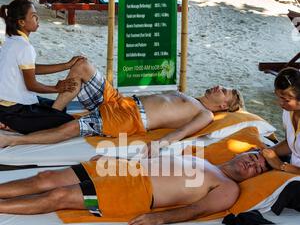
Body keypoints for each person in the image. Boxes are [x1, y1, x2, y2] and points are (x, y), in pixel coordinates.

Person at [0, 55, 244, 152]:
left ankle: (13, 139)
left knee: (71, 129)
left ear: (223, 106)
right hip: (120, 100)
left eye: (225, 92)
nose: (219, 87)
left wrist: (159, 145)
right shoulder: (189, 96)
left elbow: (183, 132)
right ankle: (51, 113)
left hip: (130, 118)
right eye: (222, 86)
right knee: (81, 65)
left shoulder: (205, 114)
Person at [0, 150, 268, 225]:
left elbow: (196, 210)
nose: (252, 162)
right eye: (254, 156)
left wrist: (159, 218)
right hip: (124, 168)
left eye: (258, 167)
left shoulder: (228, 186)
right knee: (46, 178)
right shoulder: (206, 160)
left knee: (57, 196)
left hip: (134, 190)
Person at [0, 0, 85, 133]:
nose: (38, 19)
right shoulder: (23, 47)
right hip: (13, 110)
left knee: (59, 108)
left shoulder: (11, 40)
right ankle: (9, 124)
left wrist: (67, 65)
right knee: (65, 120)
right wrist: (57, 88)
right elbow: (31, 85)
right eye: (34, 16)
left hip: (6, 104)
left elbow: (31, 69)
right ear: (21, 22)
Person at [262, 67, 300, 174]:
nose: (280, 103)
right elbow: (292, 144)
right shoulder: (289, 111)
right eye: (278, 97)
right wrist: (270, 151)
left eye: (286, 100)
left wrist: (280, 165)